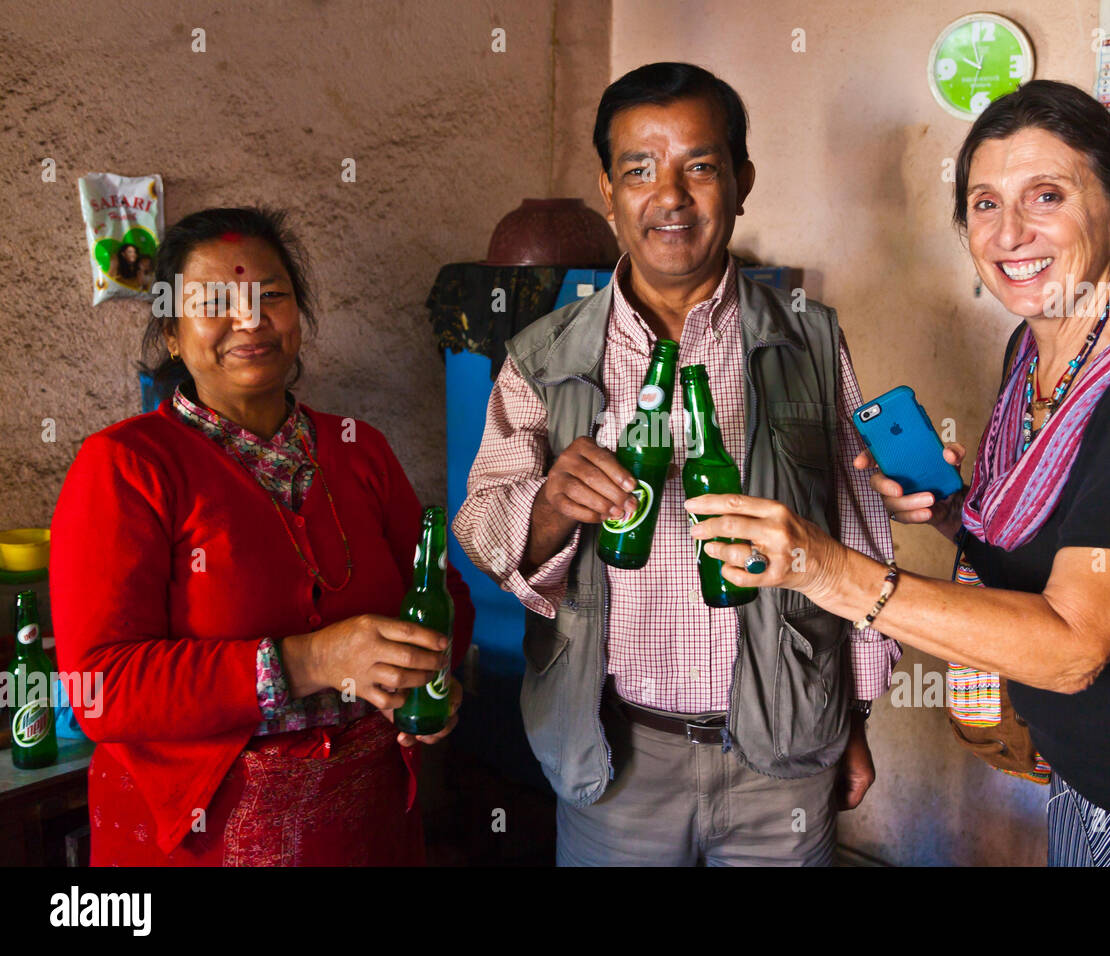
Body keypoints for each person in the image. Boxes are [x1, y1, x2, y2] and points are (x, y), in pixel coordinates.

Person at [685, 80, 1110, 867]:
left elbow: (1077, 645)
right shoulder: (1036, 351)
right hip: (1083, 782)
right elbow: (1067, 545)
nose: (1011, 233)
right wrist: (952, 514)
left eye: (1047, 195)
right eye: (983, 203)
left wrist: (827, 570)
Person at [453, 62, 898, 866]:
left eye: (699, 165)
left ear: (741, 181)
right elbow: (482, 525)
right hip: (614, 755)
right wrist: (551, 506)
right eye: (640, 169)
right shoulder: (546, 356)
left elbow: (860, 535)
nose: (671, 196)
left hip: (782, 753)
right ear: (608, 191)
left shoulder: (809, 341)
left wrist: (854, 719)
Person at [50, 206, 475, 866]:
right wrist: (314, 659)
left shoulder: (358, 450)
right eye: (214, 301)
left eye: (271, 296)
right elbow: (104, 686)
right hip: (202, 838)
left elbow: (442, 593)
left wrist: (430, 679)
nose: (249, 320)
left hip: (368, 827)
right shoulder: (127, 466)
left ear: (299, 316)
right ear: (170, 331)